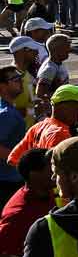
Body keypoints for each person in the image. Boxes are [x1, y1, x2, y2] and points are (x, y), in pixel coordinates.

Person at [0, 148, 53, 257]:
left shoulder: (49, 193)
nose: (55, 172)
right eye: (50, 168)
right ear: (33, 174)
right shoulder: (18, 214)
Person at [6, 85, 78, 168]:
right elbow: (60, 172)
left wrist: (32, 177)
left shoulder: (37, 127)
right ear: (63, 107)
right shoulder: (60, 134)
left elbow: (13, 159)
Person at [0, 67, 28, 204]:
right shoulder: (7, 114)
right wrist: (23, 162)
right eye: (15, 79)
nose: (20, 82)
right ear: (3, 86)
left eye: (20, 78)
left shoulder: (8, 109)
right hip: (8, 182)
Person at [33, 34, 72, 120]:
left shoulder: (57, 63)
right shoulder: (49, 69)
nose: (70, 50)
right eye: (67, 47)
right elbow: (40, 93)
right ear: (57, 50)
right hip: (55, 112)